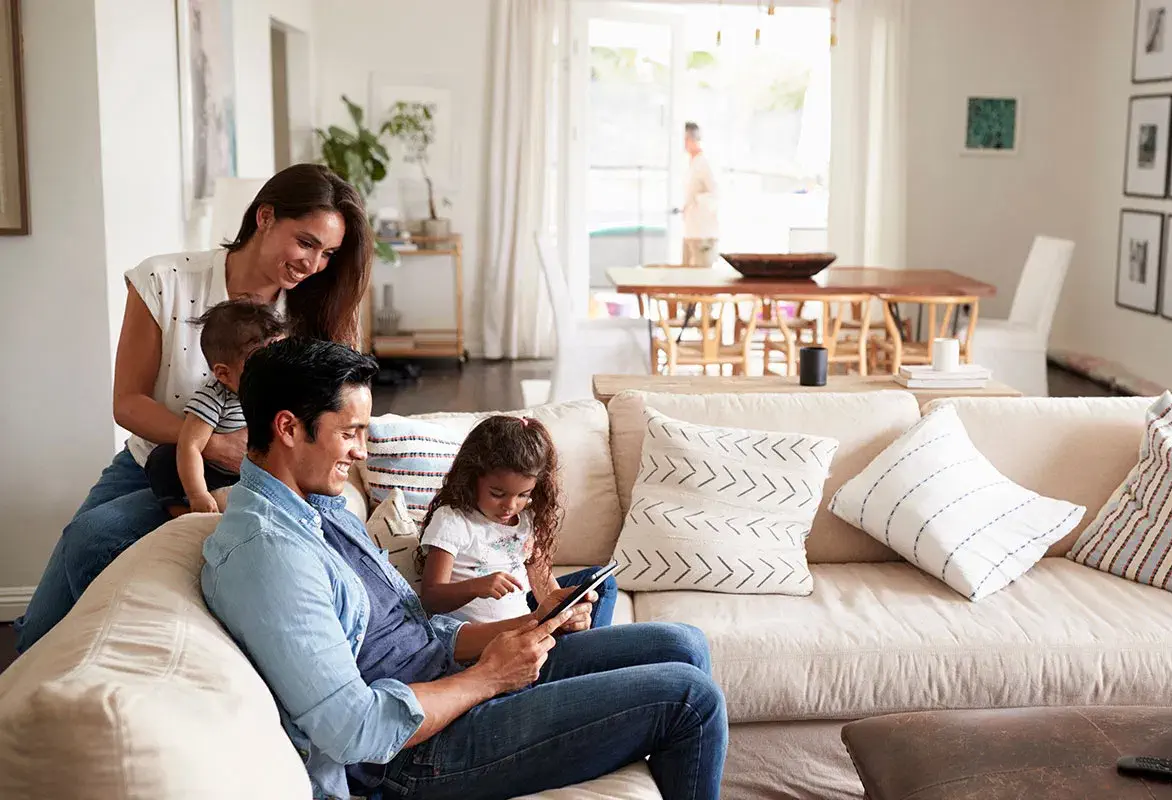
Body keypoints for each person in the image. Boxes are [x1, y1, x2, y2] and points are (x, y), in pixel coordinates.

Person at [202, 338, 727, 800]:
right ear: (289, 428)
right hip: (415, 753)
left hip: (448, 676)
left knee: (683, 644)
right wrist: (490, 677)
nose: (361, 452)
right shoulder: (269, 555)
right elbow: (353, 729)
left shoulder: (321, 508)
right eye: (350, 433)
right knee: (690, 698)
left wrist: (532, 623)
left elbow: (419, 630)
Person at [15, 163, 371, 653]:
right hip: (154, 458)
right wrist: (215, 443)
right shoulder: (165, 280)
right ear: (264, 217)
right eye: (306, 242)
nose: (313, 264)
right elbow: (128, 402)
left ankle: (108, 662)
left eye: (328, 253)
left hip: (251, 479)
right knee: (39, 627)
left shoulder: (313, 312)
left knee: (95, 537)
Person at [418, 415, 618, 628]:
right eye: (497, 493)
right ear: (472, 477)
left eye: (523, 495)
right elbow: (431, 597)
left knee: (603, 584)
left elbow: (544, 587)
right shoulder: (453, 520)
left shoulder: (525, 519)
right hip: (489, 639)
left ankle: (584, 645)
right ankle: (587, 651)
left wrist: (565, 616)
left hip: (527, 624)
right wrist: (476, 587)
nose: (510, 506)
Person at [144, 299, 287, 516]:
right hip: (216, 476)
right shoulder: (214, 397)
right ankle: (182, 512)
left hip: (259, 474)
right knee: (164, 458)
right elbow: (190, 445)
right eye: (261, 365)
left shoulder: (281, 391)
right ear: (223, 374)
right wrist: (198, 493)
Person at [682, 121, 720, 267]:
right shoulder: (691, 163)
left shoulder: (706, 163)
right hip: (691, 231)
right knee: (686, 278)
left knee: (701, 277)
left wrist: (696, 202)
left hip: (703, 232)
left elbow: (715, 194)